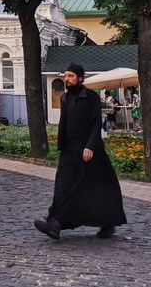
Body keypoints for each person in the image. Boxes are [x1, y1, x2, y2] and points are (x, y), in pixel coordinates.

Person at [34, 63, 127, 240]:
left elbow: (95, 123)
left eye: (71, 76)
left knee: (98, 188)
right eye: (66, 76)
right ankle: (54, 223)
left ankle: (108, 223)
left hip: (90, 151)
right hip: (70, 150)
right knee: (62, 185)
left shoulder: (91, 97)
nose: (67, 79)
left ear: (80, 78)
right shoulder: (65, 98)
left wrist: (90, 146)